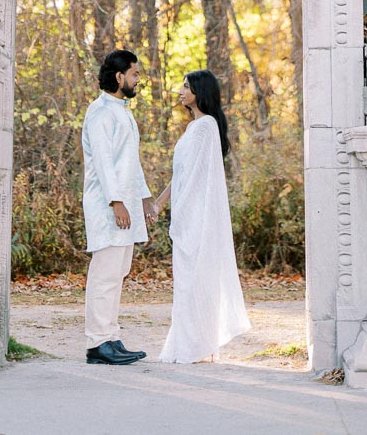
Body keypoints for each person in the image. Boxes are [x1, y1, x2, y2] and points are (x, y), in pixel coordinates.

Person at [155, 69, 250, 364]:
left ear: (200, 91)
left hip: (198, 215)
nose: (180, 91)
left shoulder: (206, 126)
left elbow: (199, 178)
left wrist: (184, 209)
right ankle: (191, 343)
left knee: (197, 279)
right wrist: (159, 203)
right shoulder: (192, 127)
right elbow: (181, 175)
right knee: (186, 280)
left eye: (186, 86)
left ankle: (199, 345)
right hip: (185, 212)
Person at [81, 48, 157, 365]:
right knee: (105, 274)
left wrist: (145, 199)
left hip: (125, 206)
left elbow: (129, 163)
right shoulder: (99, 113)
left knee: (119, 272)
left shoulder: (123, 111)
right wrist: (116, 202)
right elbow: (102, 163)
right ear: (119, 76)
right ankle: (97, 344)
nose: (139, 79)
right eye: (136, 74)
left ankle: (111, 337)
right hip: (108, 206)